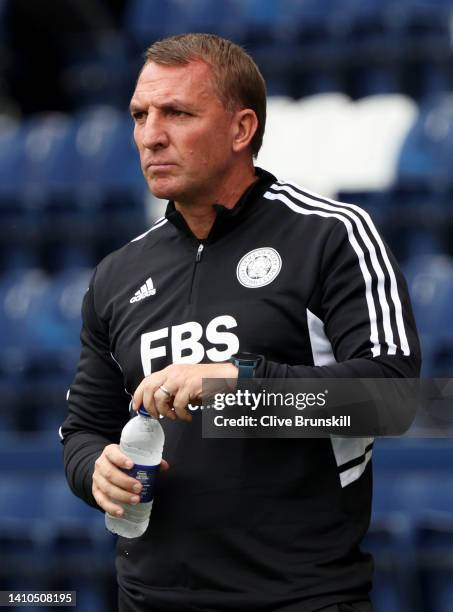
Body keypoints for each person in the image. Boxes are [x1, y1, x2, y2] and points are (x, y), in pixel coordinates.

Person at [61, 33, 421, 612]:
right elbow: (82, 430)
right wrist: (92, 472)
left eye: (177, 113)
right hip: (147, 600)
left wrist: (239, 385)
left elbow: (398, 400)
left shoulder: (331, 236)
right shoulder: (116, 274)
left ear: (241, 129)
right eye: (139, 114)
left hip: (300, 598)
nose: (151, 135)